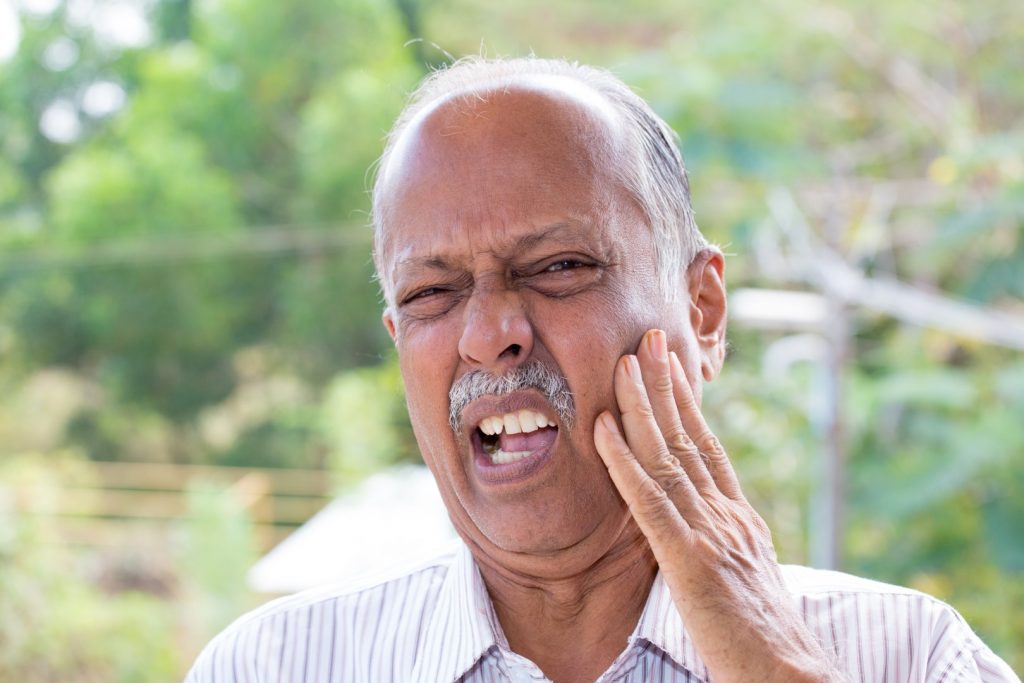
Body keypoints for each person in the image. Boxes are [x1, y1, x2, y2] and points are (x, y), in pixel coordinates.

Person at [186, 57, 1019, 683]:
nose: (488, 336)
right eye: (433, 292)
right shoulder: (276, 665)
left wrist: (773, 660)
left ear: (702, 312)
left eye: (559, 267)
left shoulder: (911, 655)